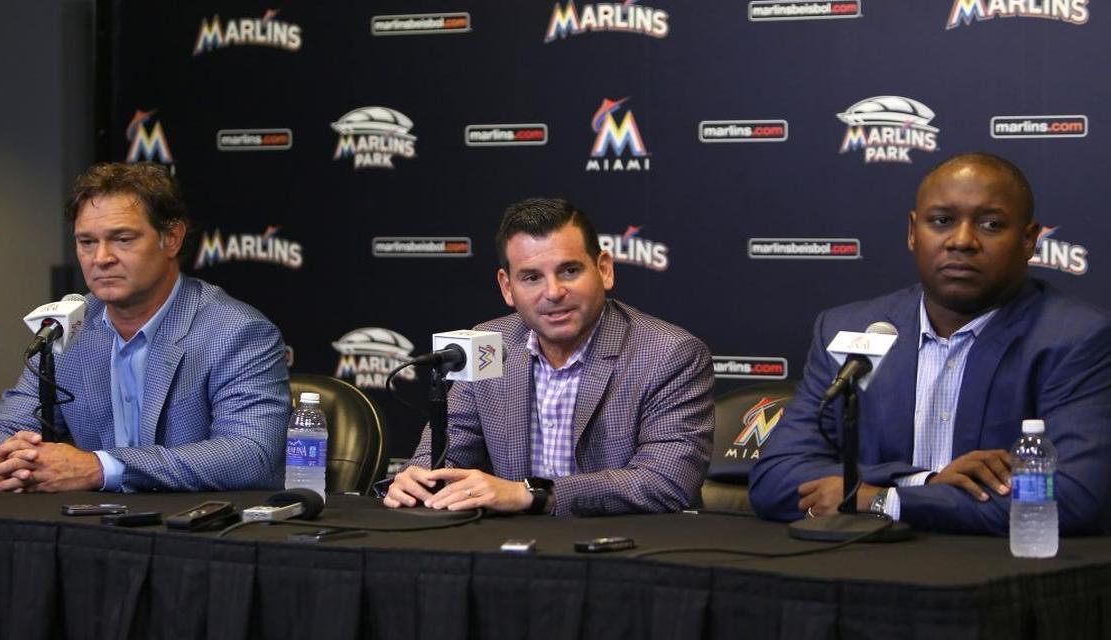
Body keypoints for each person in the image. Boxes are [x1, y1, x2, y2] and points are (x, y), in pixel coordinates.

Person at [749, 152, 1111, 535]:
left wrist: (881, 500)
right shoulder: (849, 329)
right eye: (942, 221)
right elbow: (775, 477)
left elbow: (1070, 498)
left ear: (1028, 241)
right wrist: (924, 482)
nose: (962, 241)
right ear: (912, 231)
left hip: (997, 577)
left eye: (991, 224)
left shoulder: (1075, 339)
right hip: (859, 570)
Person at [0, 162, 291, 493]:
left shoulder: (236, 331)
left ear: (172, 238)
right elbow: (3, 427)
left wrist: (99, 468)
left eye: (122, 239)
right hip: (91, 531)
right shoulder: (67, 327)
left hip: (193, 531)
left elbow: (251, 454)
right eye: (87, 242)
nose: (101, 258)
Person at [384, 198, 714, 516]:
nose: (553, 292)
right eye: (531, 277)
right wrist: (422, 477)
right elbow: (447, 449)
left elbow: (667, 481)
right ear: (507, 288)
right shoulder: (490, 345)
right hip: (513, 550)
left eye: (569, 271)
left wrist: (534, 495)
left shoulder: (668, 353)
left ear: (604, 270)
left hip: (629, 551)